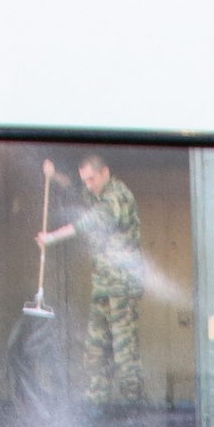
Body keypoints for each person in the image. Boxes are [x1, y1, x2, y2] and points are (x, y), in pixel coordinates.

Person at [36, 152, 143, 412]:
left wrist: (51, 238)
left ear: (105, 172)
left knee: (123, 352)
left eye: (92, 179)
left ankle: (132, 409)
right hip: (103, 285)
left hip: (122, 287)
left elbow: (88, 222)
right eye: (86, 180)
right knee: (95, 348)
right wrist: (55, 175)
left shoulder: (117, 196)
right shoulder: (95, 191)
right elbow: (74, 188)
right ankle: (98, 405)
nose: (89, 185)